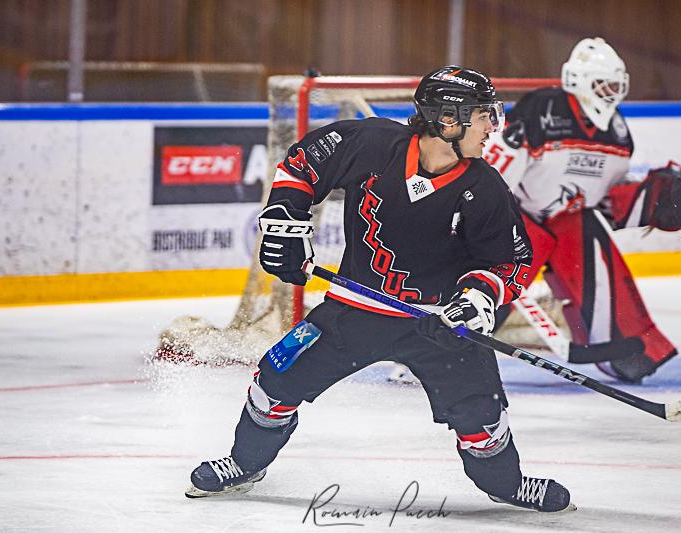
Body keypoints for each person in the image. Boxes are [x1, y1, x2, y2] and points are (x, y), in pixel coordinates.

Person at [185, 66, 573, 513]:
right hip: (354, 312)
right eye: (483, 115)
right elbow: (303, 162)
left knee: (483, 425)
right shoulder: (371, 145)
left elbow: (509, 261)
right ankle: (244, 464)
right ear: (448, 120)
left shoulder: (484, 188)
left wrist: (477, 297)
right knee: (273, 384)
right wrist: (286, 223)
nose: (492, 127)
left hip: (439, 328)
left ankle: (507, 483)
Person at [483, 37, 681, 383]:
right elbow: (496, 172)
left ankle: (625, 352)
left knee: (600, 264)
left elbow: (608, 198)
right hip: (518, 216)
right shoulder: (543, 108)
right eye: (603, 84)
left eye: (616, 85)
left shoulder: (617, 130)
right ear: (578, 82)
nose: (611, 93)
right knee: (488, 282)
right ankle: (442, 352)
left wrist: (654, 199)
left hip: (571, 220)